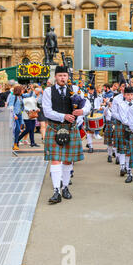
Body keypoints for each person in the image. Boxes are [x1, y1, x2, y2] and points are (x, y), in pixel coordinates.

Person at [42, 66, 91, 204]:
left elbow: (87, 103)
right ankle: (56, 191)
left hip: (71, 128)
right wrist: (64, 116)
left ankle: (65, 187)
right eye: (60, 75)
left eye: (65, 75)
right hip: (54, 127)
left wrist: (83, 111)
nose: (62, 78)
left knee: (68, 159)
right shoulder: (48, 91)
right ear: (55, 77)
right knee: (56, 159)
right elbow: (47, 111)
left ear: (68, 77)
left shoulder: (75, 90)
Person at [118, 86, 133, 183]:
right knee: (127, 152)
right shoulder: (121, 105)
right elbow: (123, 119)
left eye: (132, 94)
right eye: (128, 95)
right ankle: (129, 173)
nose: (130, 97)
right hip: (127, 129)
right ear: (124, 95)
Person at [8, 85, 25, 151]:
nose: (23, 91)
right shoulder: (13, 97)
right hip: (15, 116)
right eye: (22, 90)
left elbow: (22, 107)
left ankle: (15, 143)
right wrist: (14, 115)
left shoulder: (21, 97)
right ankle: (14, 144)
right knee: (17, 129)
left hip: (20, 115)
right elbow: (11, 106)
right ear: (18, 90)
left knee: (18, 130)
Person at [103, 98, 115, 162]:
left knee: (116, 141)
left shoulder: (116, 109)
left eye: (112, 103)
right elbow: (104, 114)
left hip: (115, 125)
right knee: (109, 142)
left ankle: (117, 156)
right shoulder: (106, 109)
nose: (111, 104)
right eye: (110, 103)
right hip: (109, 124)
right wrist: (107, 106)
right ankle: (109, 155)